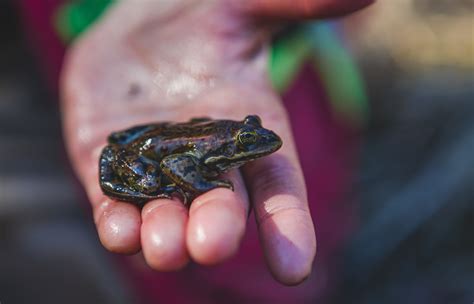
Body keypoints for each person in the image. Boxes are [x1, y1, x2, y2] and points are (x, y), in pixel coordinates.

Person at [23, 0, 373, 302]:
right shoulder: (204, 155)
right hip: (141, 149)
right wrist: (203, 185)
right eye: (247, 143)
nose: (260, 144)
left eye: (249, 136)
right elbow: (176, 162)